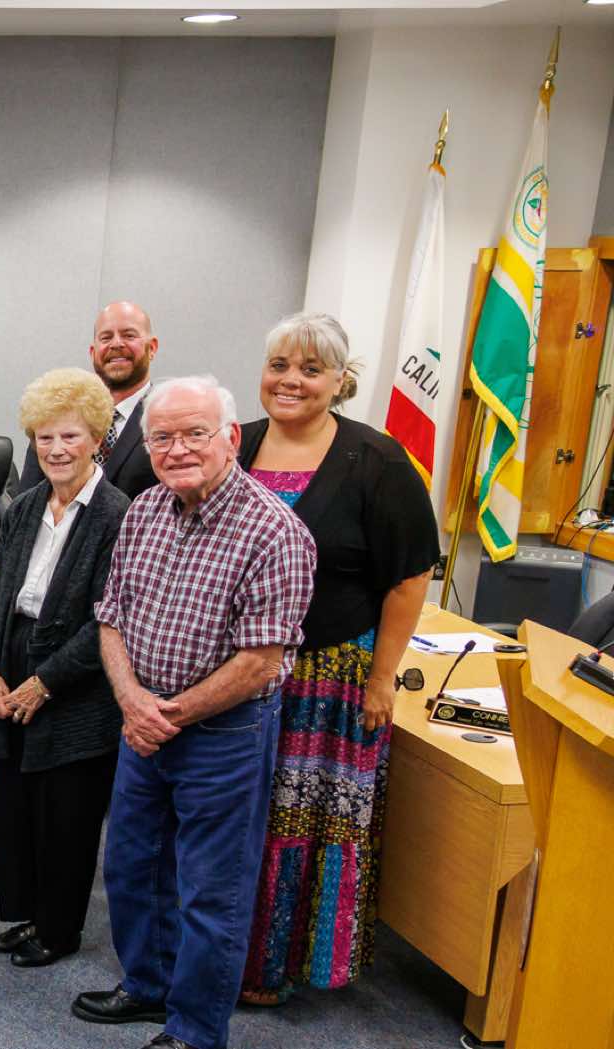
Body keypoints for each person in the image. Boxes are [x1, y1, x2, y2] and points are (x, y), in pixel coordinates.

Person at [72, 375, 316, 1049]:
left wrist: (168, 714)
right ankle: (147, 986)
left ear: (231, 437)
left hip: (224, 734)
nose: (177, 449)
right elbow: (111, 617)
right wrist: (132, 701)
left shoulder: (275, 531)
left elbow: (261, 660)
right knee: (132, 865)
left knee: (213, 890)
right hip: (142, 723)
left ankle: (196, 1029)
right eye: (161, 437)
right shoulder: (145, 510)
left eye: (195, 433)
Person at [236, 313, 437, 1005]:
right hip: (234, 672)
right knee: (233, 811)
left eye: (310, 369)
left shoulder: (378, 461)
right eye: (279, 365)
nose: (291, 380)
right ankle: (215, 950)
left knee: (298, 820)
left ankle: (274, 966)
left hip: (328, 679)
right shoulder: (234, 443)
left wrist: (383, 678)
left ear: (339, 381)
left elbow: (410, 576)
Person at [0, 368, 130, 968]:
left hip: (76, 682)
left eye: (70, 436)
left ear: (96, 439)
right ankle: (28, 914)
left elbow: (107, 619)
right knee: (16, 805)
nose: (56, 449)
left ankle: (59, 930)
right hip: (13, 661)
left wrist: (44, 682)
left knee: (66, 815)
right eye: (44, 437)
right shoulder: (24, 506)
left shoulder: (119, 515)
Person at [16, 300, 161, 499]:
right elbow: (26, 500)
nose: (116, 344)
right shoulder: (56, 413)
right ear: (93, 352)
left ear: (152, 348)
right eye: (106, 337)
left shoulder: (165, 418)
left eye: (129, 335)